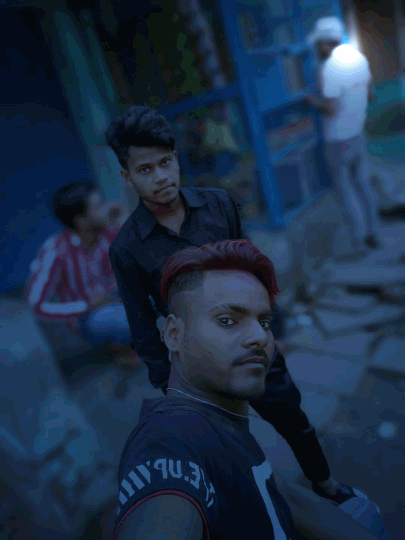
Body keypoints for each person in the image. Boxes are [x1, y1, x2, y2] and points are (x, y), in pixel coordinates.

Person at [106, 104, 369, 505]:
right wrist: (170, 386)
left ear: (176, 158)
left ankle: (324, 483)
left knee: (292, 416)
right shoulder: (126, 248)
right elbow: (141, 324)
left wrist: (273, 329)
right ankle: (261, 510)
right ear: (127, 176)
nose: (160, 177)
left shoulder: (218, 205)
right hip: (198, 361)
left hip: (250, 339)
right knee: (227, 447)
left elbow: (252, 269)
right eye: (145, 169)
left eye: (165, 163)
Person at [113, 240, 391, 540]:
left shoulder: (222, 417)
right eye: (227, 320)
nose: (260, 337)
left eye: (265, 321)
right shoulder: (171, 438)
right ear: (173, 334)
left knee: (362, 510)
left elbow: (278, 492)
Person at [25, 180, 134, 365]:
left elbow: (145, 257)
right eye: (99, 206)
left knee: (162, 292)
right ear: (81, 220)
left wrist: (126, 222)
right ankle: (122, 347)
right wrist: (85, 305)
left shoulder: (108, 234)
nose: (108, 208)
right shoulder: (56, 251)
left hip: (117, 297)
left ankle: (133, 340)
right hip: (88, 317)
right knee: (130, 318)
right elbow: (35, 305)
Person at [305, 16, 381, 256]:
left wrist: (312, 102)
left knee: (346, 190)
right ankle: (373, 234)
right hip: (357, 131)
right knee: (363, 184)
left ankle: (358, 242)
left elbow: (331, 108)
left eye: (319, 44)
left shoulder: (326, 69)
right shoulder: (357, 60)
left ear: (325, 43)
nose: (317, 48)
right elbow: (371, 95)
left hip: (337, 138)